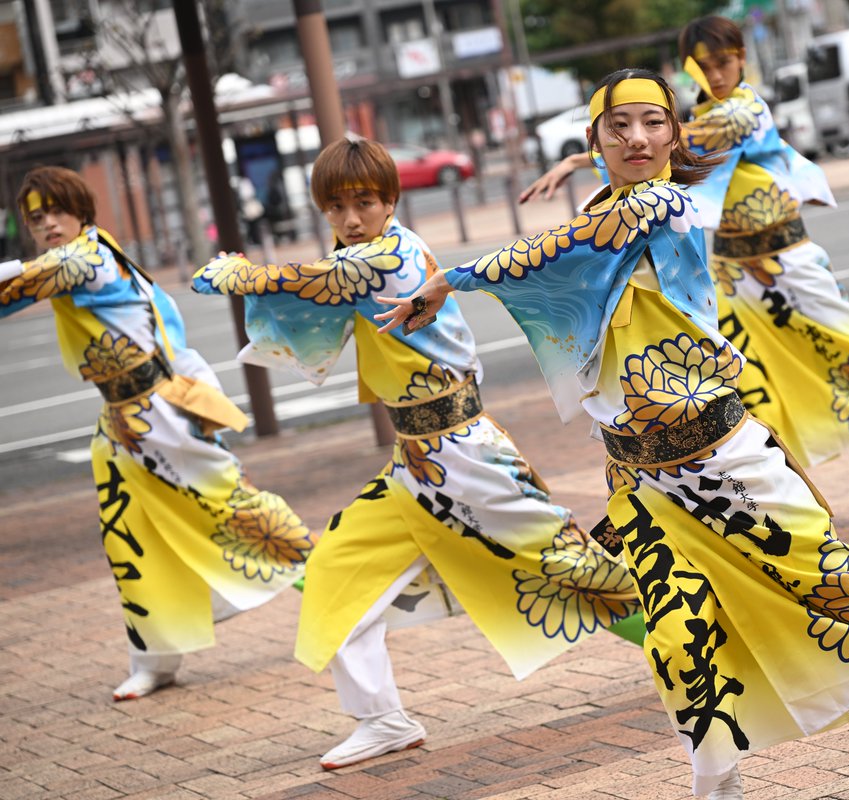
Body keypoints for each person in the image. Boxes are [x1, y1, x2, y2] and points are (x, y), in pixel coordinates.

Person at [378, 69, 849, 799]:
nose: (637, 138)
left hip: (724, 462)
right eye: (618, 126)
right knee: (677, 637)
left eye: (653, 123)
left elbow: (574, 241)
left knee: (844, 593)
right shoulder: (612, 203)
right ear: (595, 137)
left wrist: (455, 278)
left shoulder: (664, 203)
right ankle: (717, 783)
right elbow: (576, 249)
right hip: (640, 480)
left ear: (676, 133)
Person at [192, 137, 644, 770]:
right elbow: (320, 284)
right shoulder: (363, 254)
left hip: (466, 454)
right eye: (337, 206)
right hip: (415, 463)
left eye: (365, 202)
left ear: (391, 201)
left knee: (571, 568)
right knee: (333, 573)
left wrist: (239, 274)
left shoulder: (388, 259)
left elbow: (314, 282)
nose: (351, 218)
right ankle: (382, 720)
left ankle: (687, 643)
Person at [520, 16, 849, 489]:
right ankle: (778, 489)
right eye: (704, 65)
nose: (717, 74)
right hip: (730, 274)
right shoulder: (692, 117)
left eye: (724, 62)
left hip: (788, 262)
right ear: (689, 68)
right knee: (745, 386)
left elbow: (689, 143)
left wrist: (581, 157)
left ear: (742, 58)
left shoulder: (746, 111)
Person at [0, 166, 316, 701]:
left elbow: (17, 285)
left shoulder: (89, 258)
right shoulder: (80, 256)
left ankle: (335, 584)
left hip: (162, 413)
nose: (48, 223)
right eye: (36, 217)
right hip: (120, 422)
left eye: (56, 210)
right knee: (130, 539)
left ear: (81, 211)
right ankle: (155, 660)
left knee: (233, 509)